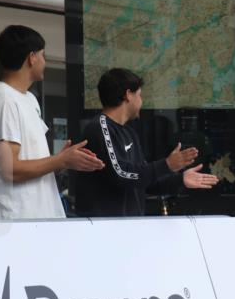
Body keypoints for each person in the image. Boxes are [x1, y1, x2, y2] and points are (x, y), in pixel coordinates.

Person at [0, 25, 104, 221]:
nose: (45, 62)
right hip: (16, 222)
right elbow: (10, 169)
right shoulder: (3, 100)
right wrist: (60, 160)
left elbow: (29, 161)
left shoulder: (28, 99)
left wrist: (62, 161)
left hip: (39, 219)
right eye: (43, 55)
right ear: (32, 57)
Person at [75, 68, 218, 217]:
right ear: (128, 95)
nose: (141, 101)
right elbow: (121, 174)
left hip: (131, 227)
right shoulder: (100, 127)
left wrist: (180, 180)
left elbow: (143, 179)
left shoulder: (129, 132)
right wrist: (166, 165)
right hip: (106, 230)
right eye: (140, 95)